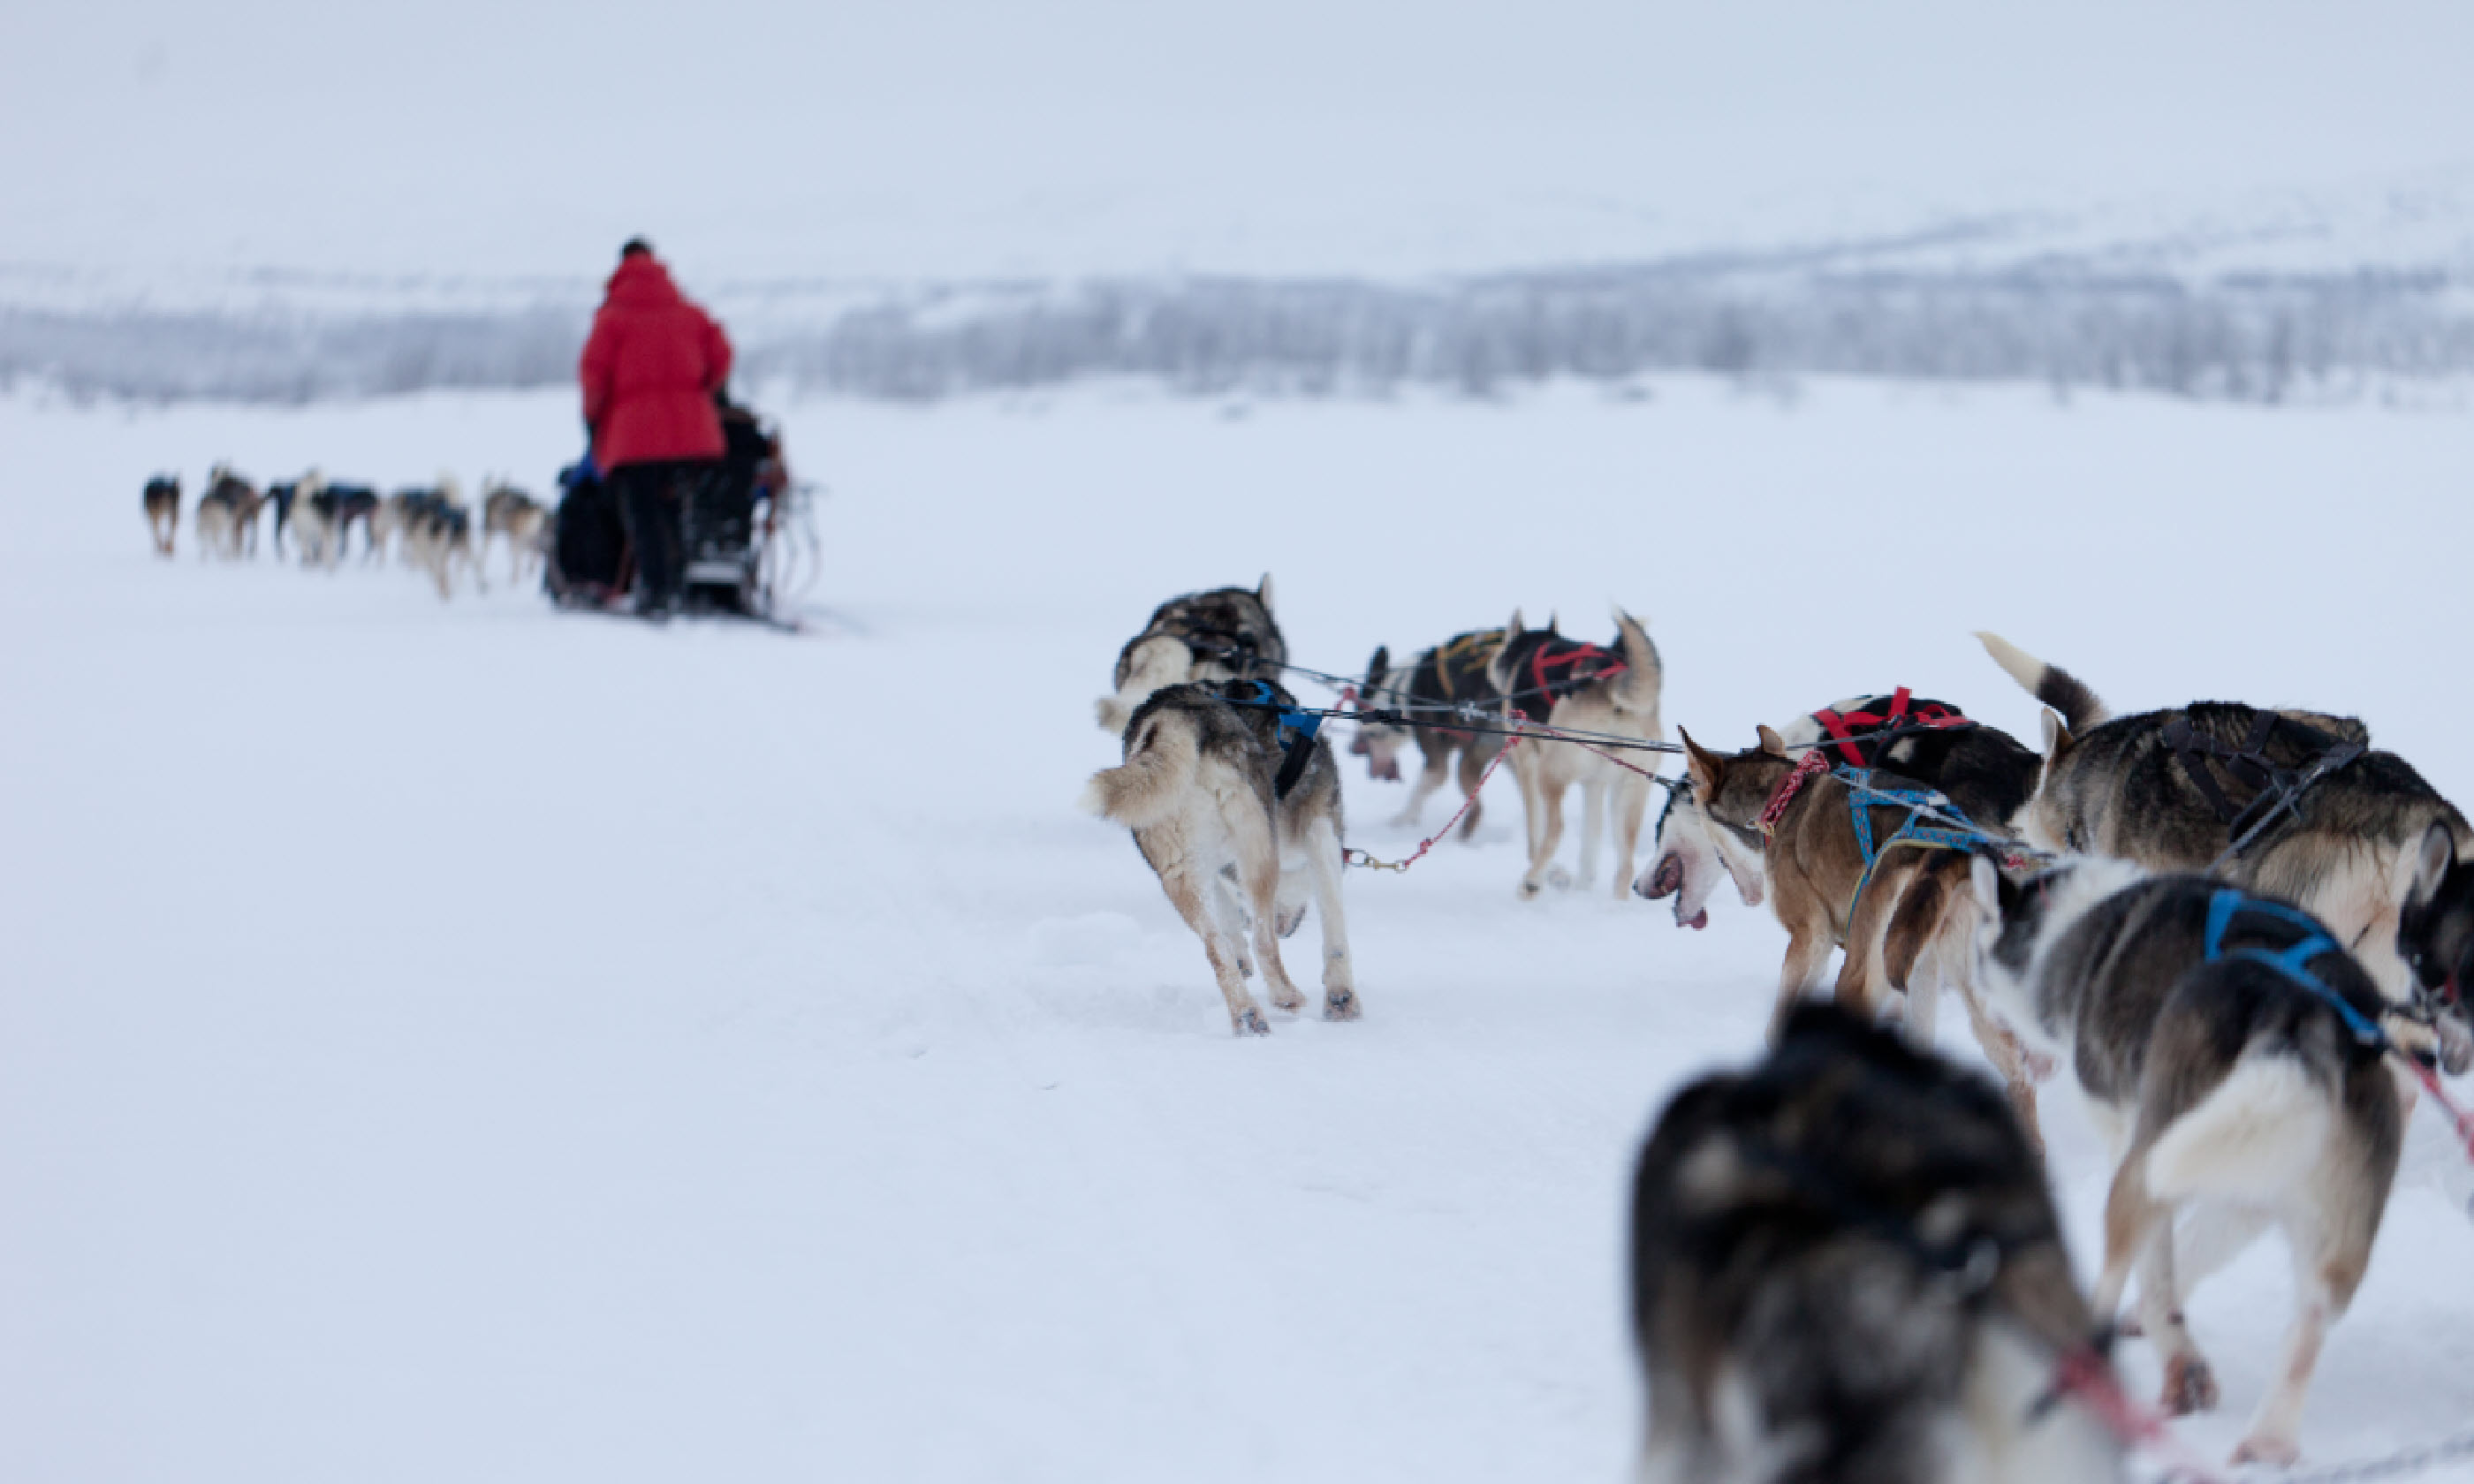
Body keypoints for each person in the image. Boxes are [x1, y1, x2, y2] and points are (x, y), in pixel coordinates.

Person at [578, 238, 733, 617]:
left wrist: (594, 420)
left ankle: (656, 591)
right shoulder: (689, 311)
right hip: (691, 432)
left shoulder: (612, 316)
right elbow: (722, 354)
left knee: (643, 513)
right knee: (675, 508)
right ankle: (680, 585)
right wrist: (702, 392)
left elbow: (593, 376)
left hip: (634, 435)